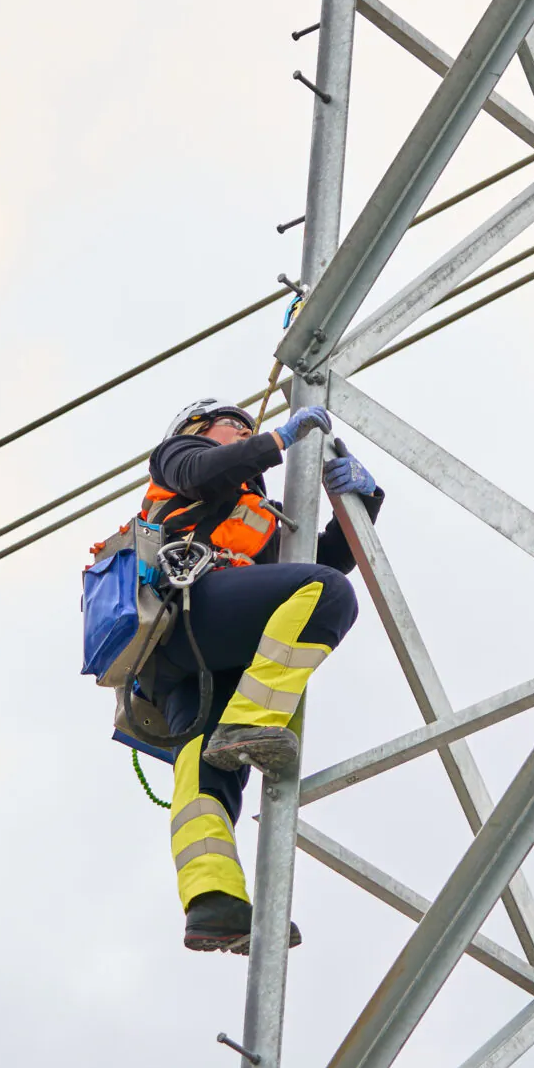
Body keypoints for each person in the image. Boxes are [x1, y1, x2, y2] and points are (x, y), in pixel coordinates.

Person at [131, 397, 384, 952]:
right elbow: (208, 471)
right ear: (197, 429)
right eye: (234, 424)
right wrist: (278, 441)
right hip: (186, 614)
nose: (245, 430)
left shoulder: (261, 514)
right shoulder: (179, 458)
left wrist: (362, 500)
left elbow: (325, 557)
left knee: (205, 776)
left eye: (249, 426)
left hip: (204, 651)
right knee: (326, 595)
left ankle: (212, 901)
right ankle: (248, 723)